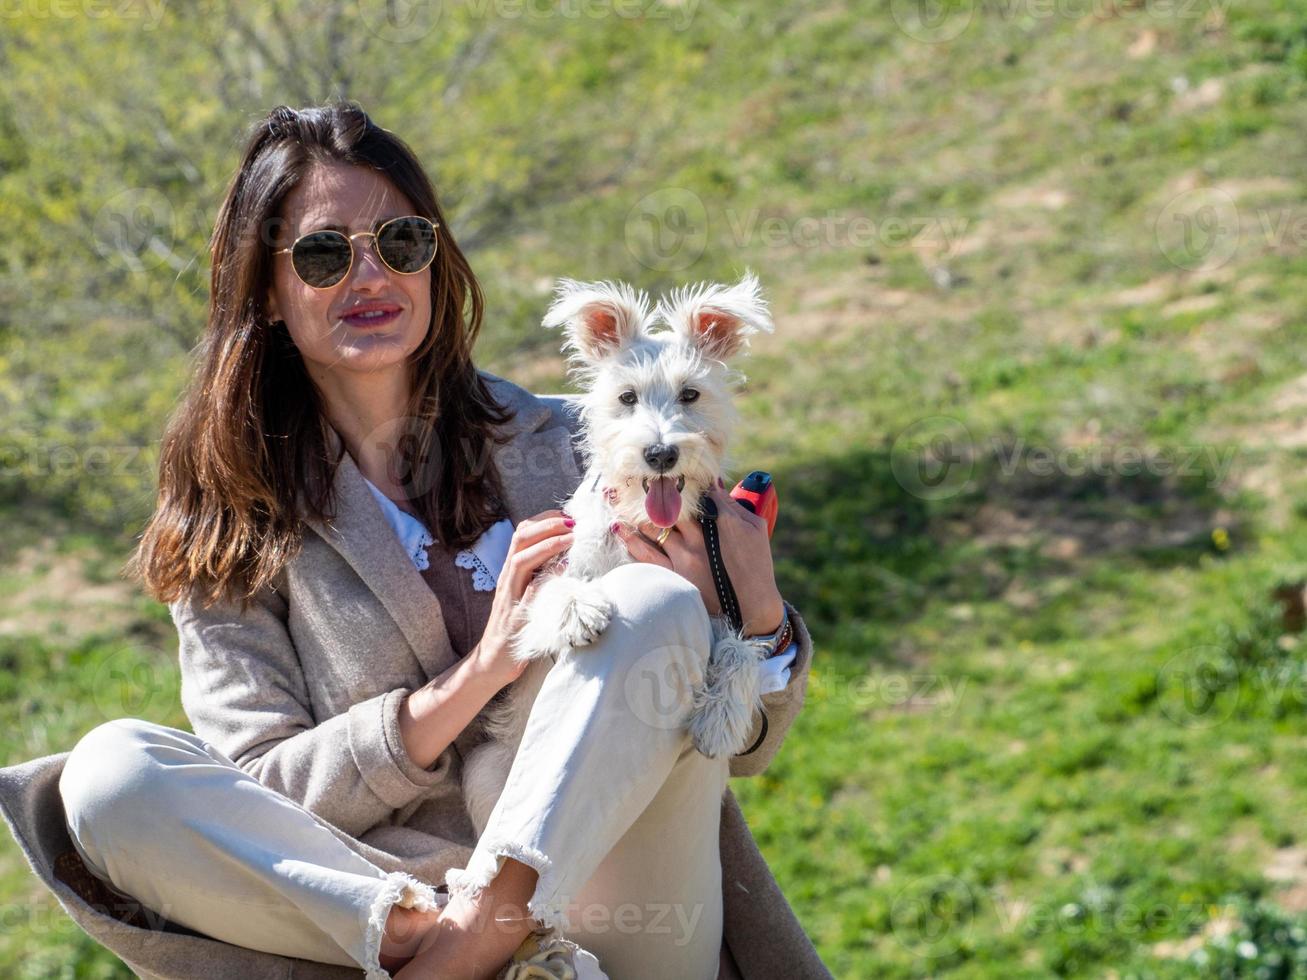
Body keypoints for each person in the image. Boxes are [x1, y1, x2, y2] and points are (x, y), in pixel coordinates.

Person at [54, 102, 823, 980]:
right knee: (109, 771)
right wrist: (479, 672)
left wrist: (757, 617)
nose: (370, 275)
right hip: (385, 903)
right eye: (322, 253)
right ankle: (440, 948)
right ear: (265, 290)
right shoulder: (232, 515)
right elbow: (260, 792)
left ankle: (484, 943)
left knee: (645, 602)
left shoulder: (604, 439)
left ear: (435, 261)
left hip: (622, 902)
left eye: (401, 242)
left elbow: (744, 743)